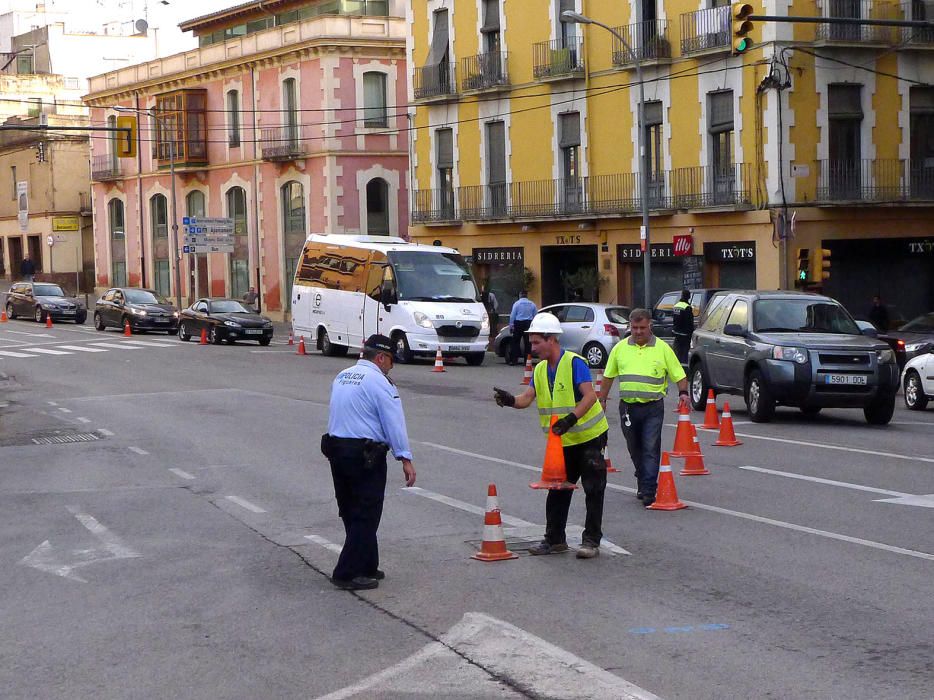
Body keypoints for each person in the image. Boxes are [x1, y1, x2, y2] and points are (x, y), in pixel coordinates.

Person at [493, 312, 609, 558]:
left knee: (593, 489)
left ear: (552, 340)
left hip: (589, 437)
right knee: (557, 489)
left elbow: (589, 396)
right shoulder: (540, 370)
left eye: (536, 342)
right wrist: (510, 400)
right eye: (532, 342)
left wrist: (571, 418)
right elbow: (527, 398)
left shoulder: (574, 363)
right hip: (562, 441)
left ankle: (591, 541)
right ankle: (555, 540)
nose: (532, 347)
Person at [321, 334, 416, 591]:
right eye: (391, 360)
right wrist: (404, 457)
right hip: (365, 455)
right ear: (381, 357)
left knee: (351, 509)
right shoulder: (380, 382)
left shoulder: (342, 376)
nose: (392, 366)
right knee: (367, 512)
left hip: (337, 449)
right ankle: (346, 572)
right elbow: (393, 422)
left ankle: (367, 563)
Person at [599, 308, 688, 507]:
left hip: (653, 408)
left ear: (650, 326)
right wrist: (601, 400)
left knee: (650, 447)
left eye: (642, 328)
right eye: (634, 328)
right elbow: (608, 376)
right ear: (630, 327)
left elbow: (679, 375)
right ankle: (642, 478)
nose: (638, 332)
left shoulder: (663, 348)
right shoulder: (620, 348)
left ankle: (649, 489)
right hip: (628, 409)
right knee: (634, 447)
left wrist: (683, 393)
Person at [507, 290, 537, 365]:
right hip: (528, 324)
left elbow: (512, 316)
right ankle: (527, 361)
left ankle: (514, 360)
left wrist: (511, 326)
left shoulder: (517, 304)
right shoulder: (532, 304)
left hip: (518, 324)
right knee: (528, 343)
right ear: (526, 295)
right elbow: (535, 315)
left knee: (515, 342)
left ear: (520, 295)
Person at [671, 289, 694, 364]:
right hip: (685, 334)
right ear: (688, 296)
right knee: (684, 352)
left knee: (677, 351)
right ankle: (684, 367)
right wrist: (691, 332)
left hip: (676, 332)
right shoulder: (687, 307)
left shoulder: (676, 306)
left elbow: (674, 319)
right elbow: (689, 321)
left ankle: (676, 364)